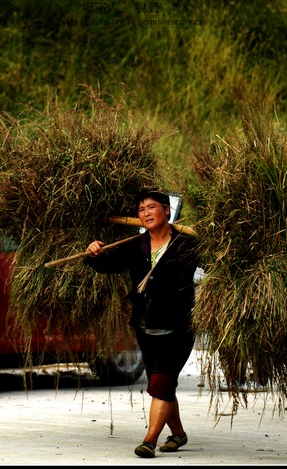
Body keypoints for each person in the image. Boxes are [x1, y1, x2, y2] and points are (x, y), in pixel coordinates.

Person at [84, 188, 200, 458]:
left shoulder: (186, 245)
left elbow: (218, 262)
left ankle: (149, 440)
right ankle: (179, 434)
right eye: (141, 210)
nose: (146, 213)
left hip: (179, 327)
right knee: (162, 385)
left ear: (167, 211)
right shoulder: (135, 247)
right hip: (145, 327)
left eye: (152, 207)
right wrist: (94, 252)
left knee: (160, 383)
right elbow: (106, 265)